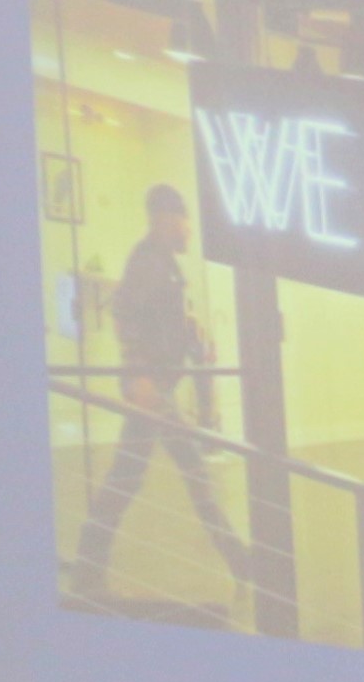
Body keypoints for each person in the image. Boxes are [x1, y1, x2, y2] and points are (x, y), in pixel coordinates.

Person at [69, 184, 252, 599]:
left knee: (156, 476)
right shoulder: (148, 261)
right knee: (154, 476)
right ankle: (86, 570)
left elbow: (159, 318)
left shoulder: (165, 264)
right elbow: (124, 312)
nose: (189, 230)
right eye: (185, 221)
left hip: (160, 388)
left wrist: (190, 330)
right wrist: (139, 377)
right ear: (165, 219)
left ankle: (239, 560)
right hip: (151, 392)